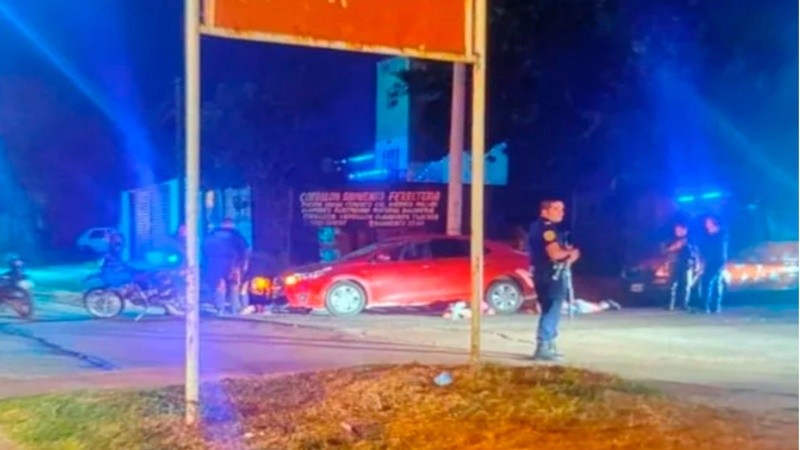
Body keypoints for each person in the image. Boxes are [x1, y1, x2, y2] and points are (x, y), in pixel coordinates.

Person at [528, 199, 580, 361]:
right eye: (556, 209)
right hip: (551, 274)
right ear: (545, 211)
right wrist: (571, 253)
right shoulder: (548, 228)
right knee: (552, 309)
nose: (561, 212)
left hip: (540, 273)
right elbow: (554, 254)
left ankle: (549, 345)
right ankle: (544, 345)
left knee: (548, 308)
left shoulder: (535, 226)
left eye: (562, 209)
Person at [202, 218, 249, 315]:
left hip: (215, 264)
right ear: (232, 225)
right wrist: (244, 263)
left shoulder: (212, 234)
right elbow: (244, 249)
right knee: (234, 285)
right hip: (232, 264)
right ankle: (234, 309)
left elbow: (205, 249)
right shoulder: (235, 235)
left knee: (220, 285)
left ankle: (220, 308)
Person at [663, 221, 699, 311]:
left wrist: (696, 263)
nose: (678, 232)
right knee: (671, 285)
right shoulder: (670, 240)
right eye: (677, 230)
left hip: (687, 264)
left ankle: (684, 304)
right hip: (674, 263)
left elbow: (695, 253)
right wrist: (676, 246)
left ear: (685, 230)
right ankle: (669, 304)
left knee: (686, 285)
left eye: (680, 230)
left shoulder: (690, 240)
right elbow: (665, 250)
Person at [697, 216, 728, 314]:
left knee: (707, 281)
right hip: (708, 260)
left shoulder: (721, 235)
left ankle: (706, 306)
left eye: (708, 222)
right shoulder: (706, 235)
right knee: (715, 282)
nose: (706, 224)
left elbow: (721, 250)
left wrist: (722, 262)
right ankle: (713, 306)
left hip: (717, 261)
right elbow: (703, 247)